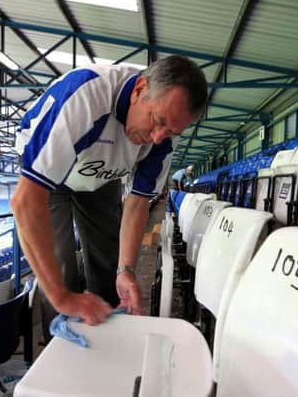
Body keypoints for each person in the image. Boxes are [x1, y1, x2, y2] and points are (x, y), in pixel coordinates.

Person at [11, 55, 208, 332]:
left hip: (101, 176)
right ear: (139, 90)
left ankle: (105, 334)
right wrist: (63, 298)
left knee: (108, 264)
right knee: (59, 270)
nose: (157, 137)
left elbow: (138, 201)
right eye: (156, 120)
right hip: (51, 177)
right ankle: (57, 339)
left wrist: (126, 270)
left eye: (171, 130)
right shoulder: (86, 97)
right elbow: (25, 201)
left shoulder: (164, 137)